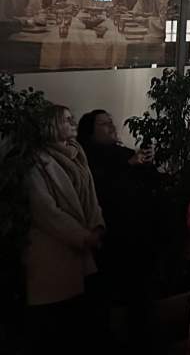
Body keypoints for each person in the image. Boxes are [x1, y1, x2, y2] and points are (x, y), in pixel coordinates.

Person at [25, 104, 106, 351]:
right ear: (51, 126)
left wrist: (97, 225)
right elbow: (45, 211)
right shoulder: (36, 161)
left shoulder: (77, 153)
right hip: (53, 253)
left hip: (81, 249)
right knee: (55, 325)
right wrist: (83, 236)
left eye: (72, 119)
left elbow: (90, 195)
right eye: (66, 120)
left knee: (79, 323)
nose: (72, 123)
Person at [77, 110, 158, 349]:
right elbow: (98, 191)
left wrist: (147, 163)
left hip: (138, 239)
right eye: (103, 123)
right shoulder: (87, 159)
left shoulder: (124, 151)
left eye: (111, 121)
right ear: (90, 132)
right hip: (110, 242)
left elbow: (150, 182)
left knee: (141, 300)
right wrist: (129, 165)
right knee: (107, 302)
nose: (111, 126)